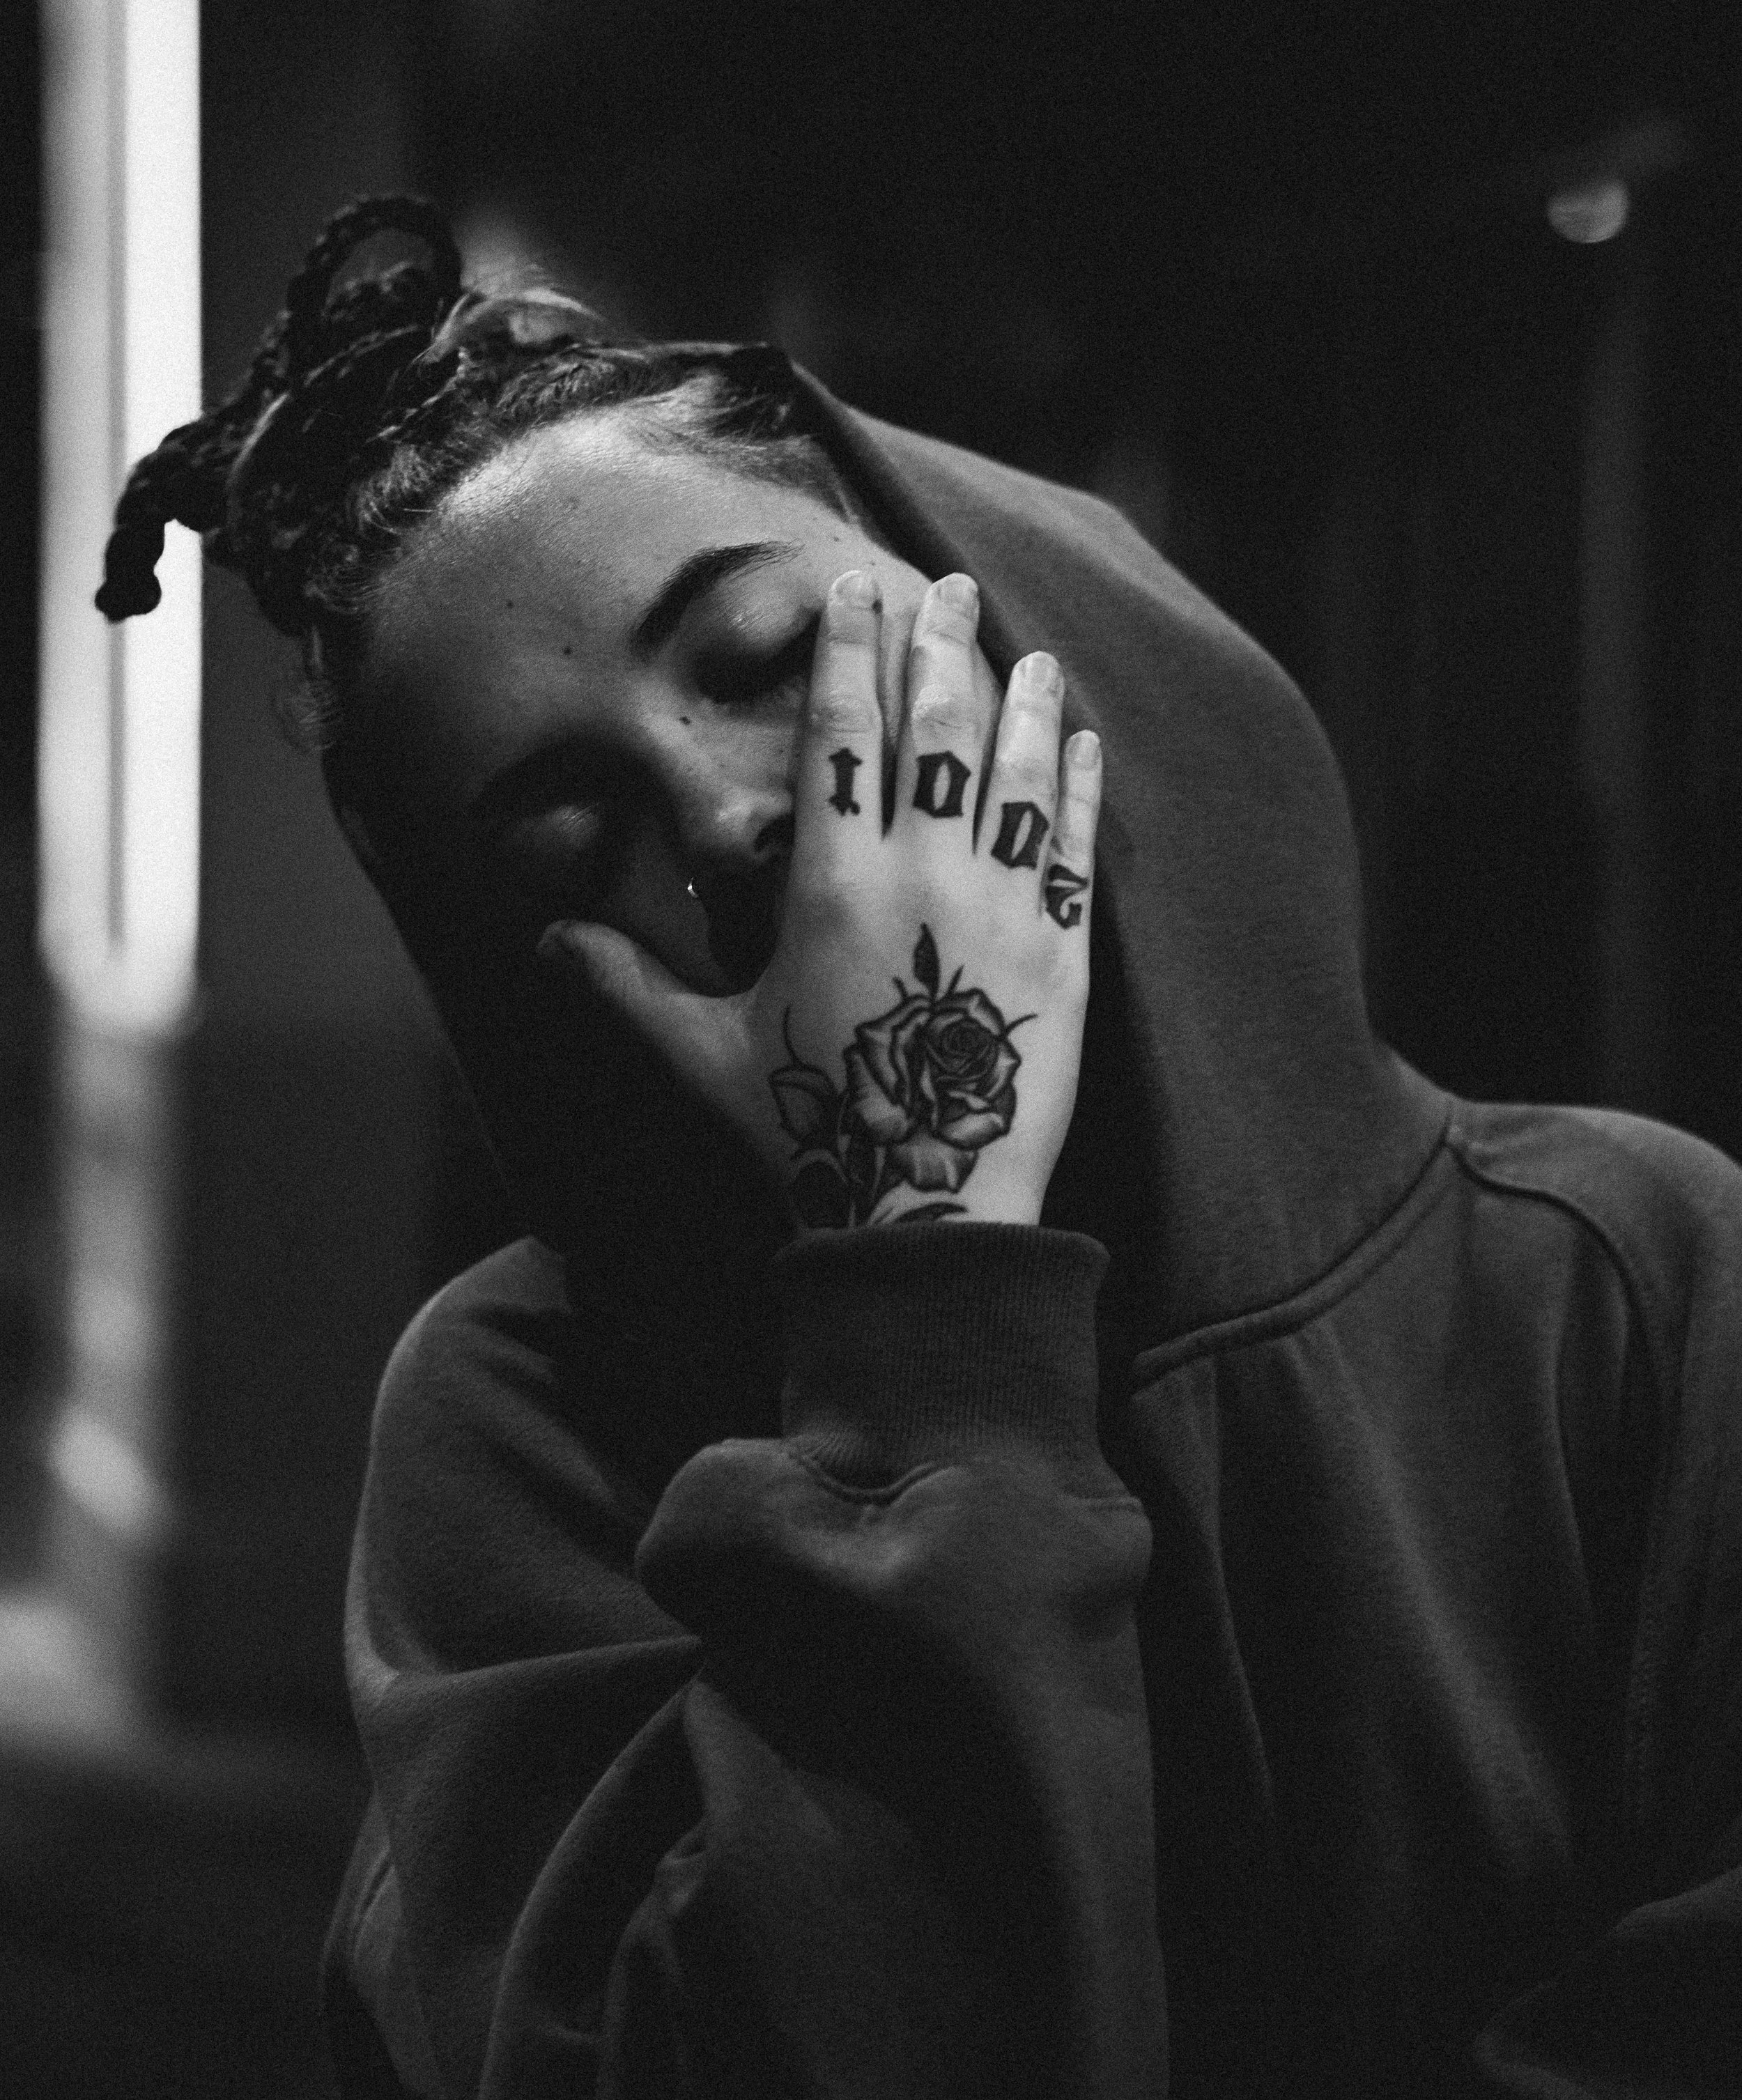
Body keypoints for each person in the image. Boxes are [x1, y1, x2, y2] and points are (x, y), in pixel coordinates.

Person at [100, 196, 1741, 2099]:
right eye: (570, 842)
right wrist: (920, 1284)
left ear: (999, 595)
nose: (715, 815)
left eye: (763, 650)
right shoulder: (522, 1422)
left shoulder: (1632, 1274)